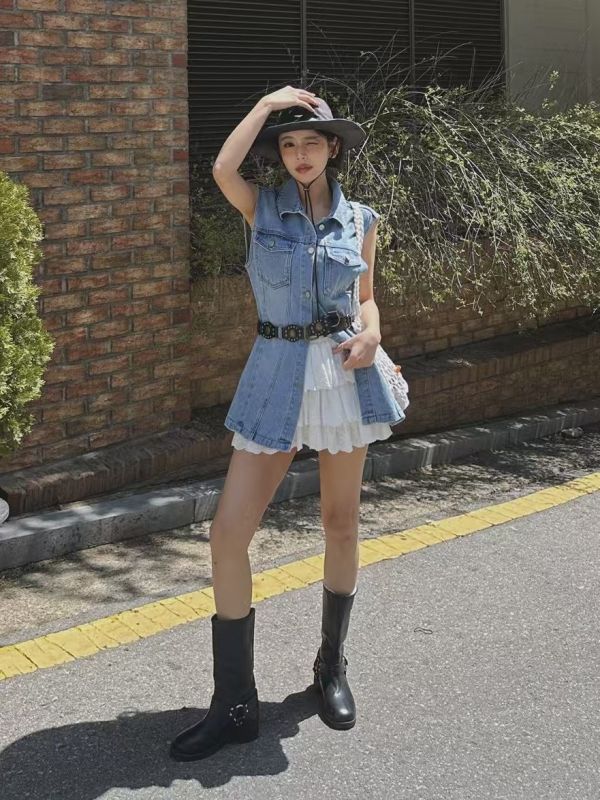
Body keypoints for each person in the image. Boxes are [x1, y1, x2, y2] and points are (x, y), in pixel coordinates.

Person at [169, 86, 406, 762]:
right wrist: (267, 107)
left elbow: (365, 298)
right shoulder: (261, 206)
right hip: (275, 374)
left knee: (340, 522)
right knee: (227, 535)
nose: (300, 154)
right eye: (289, 145)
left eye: (312, 143)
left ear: (333, 150)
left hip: (340, 376)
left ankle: (330, 668)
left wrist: (372, 334)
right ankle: (235, 703)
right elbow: (222, 167)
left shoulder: (360, 220)